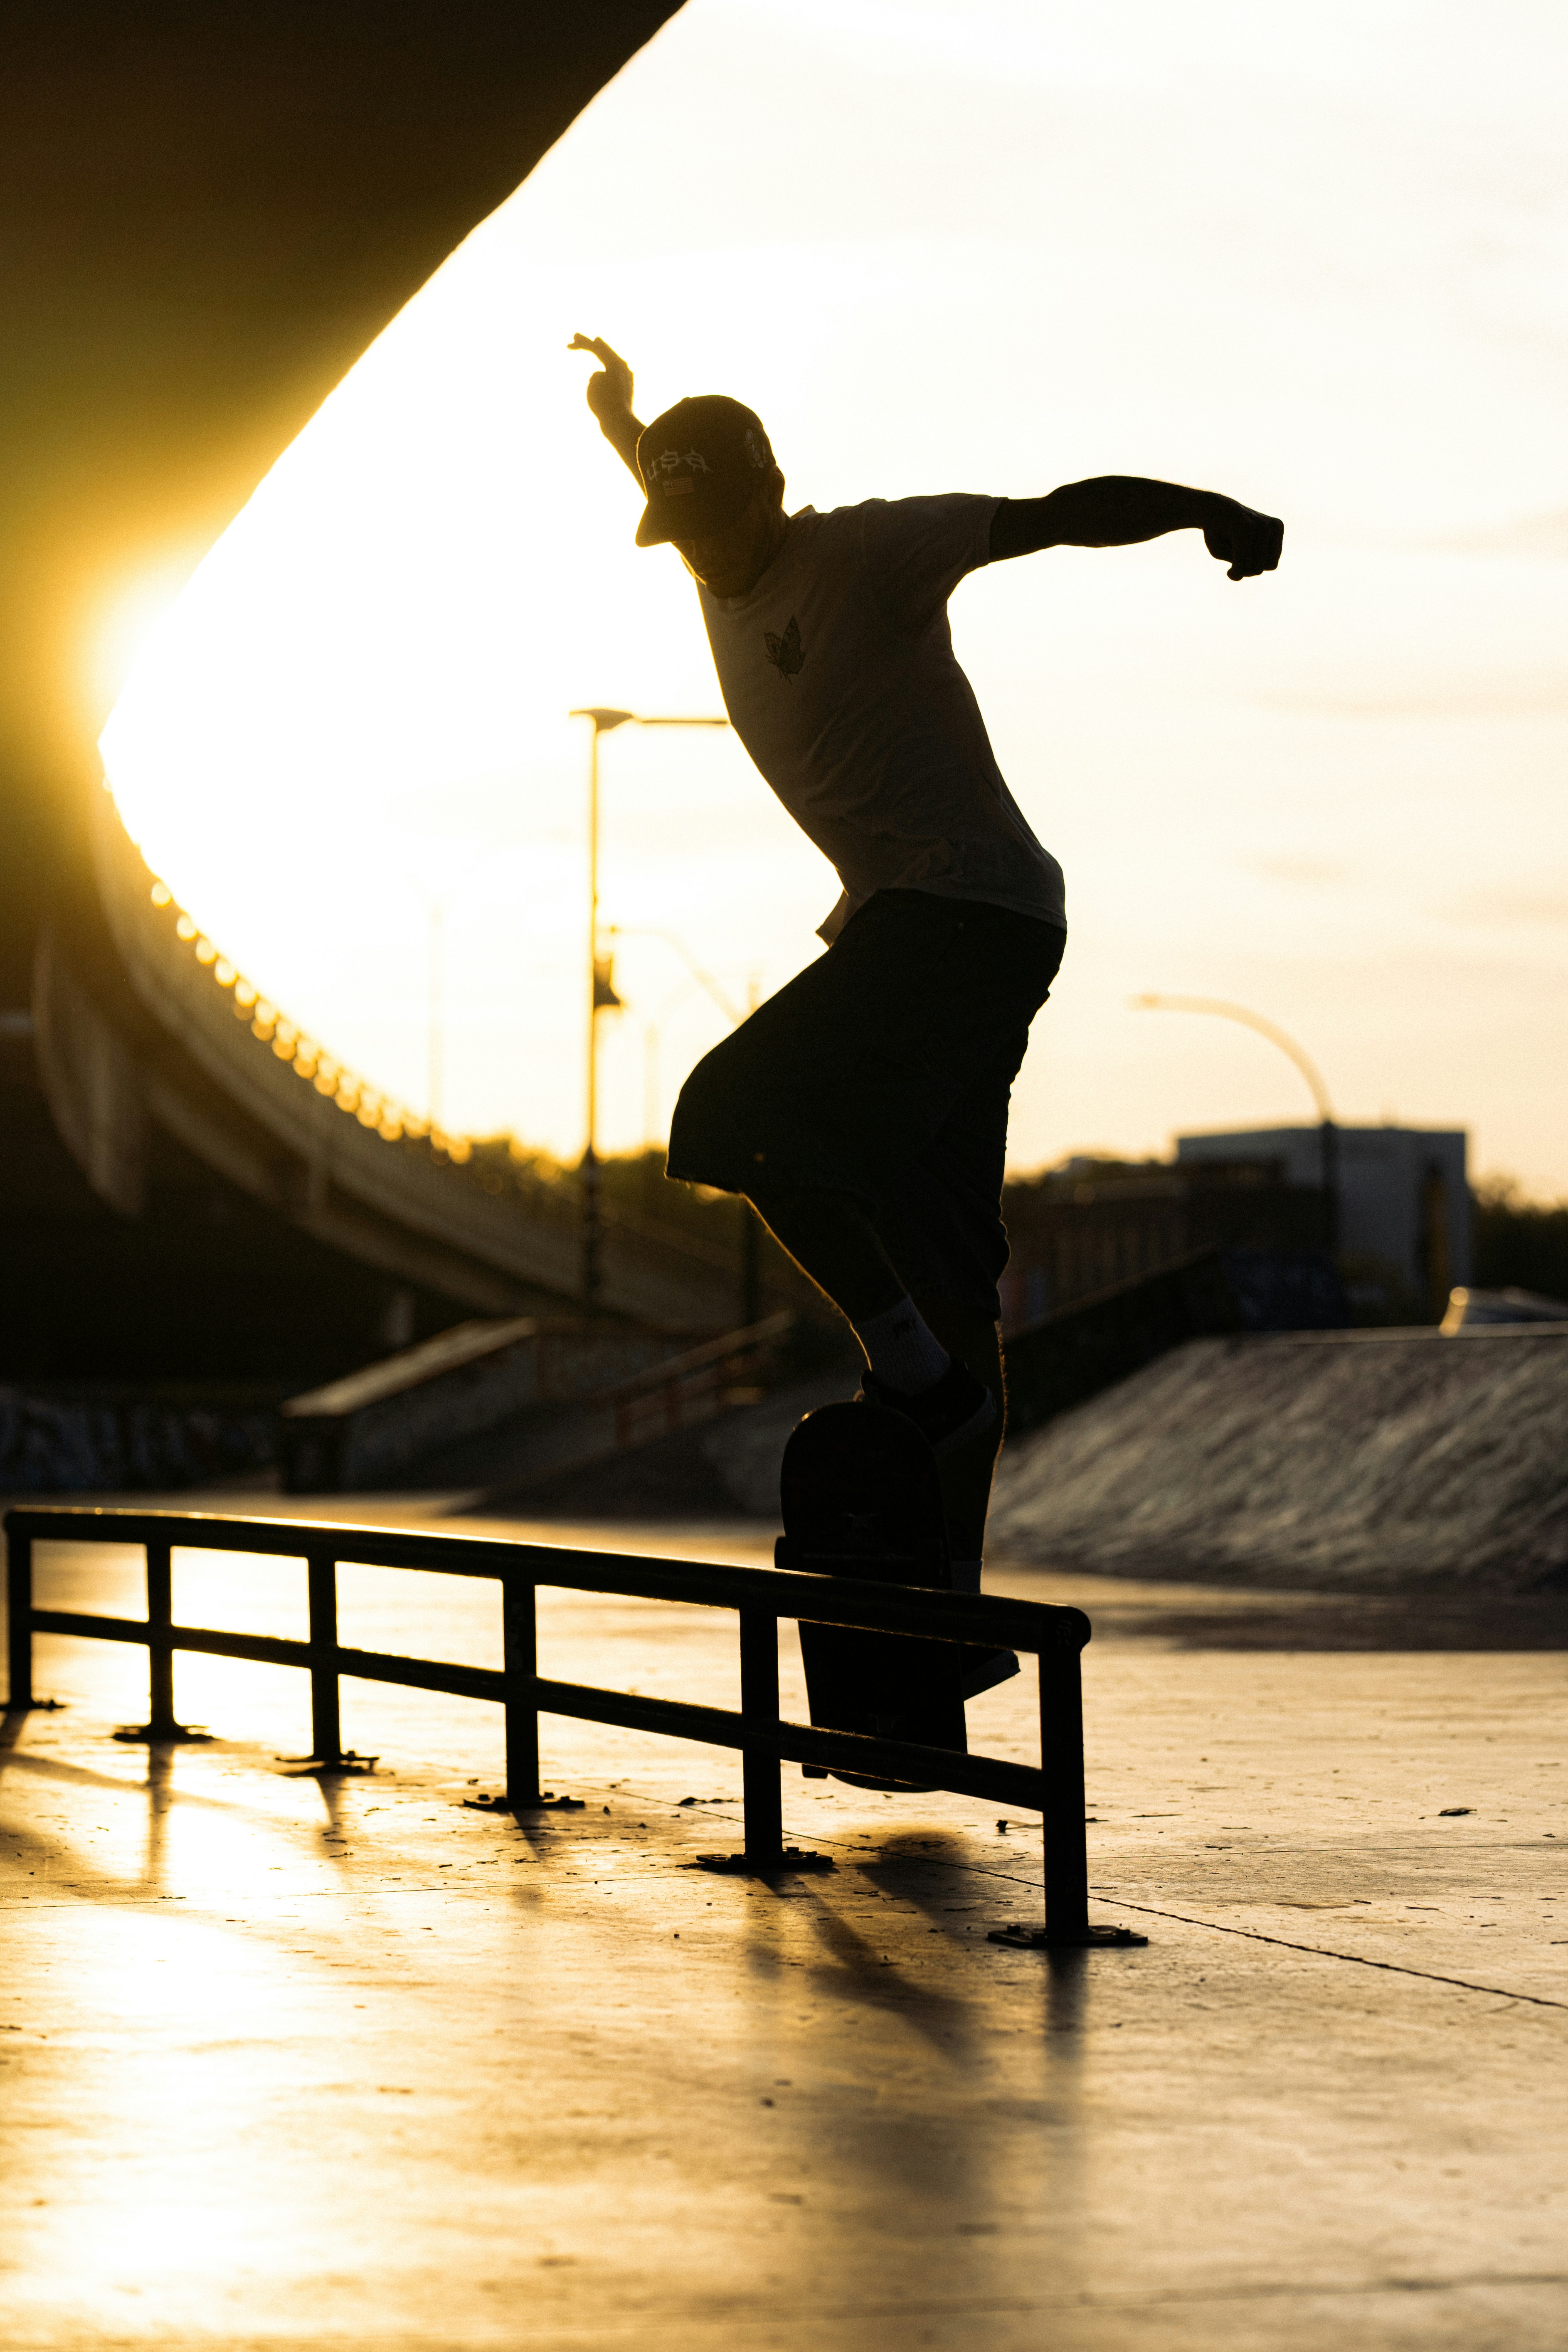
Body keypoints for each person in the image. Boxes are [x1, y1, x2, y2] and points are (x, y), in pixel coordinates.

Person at [570, 332, 1282, 1587]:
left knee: (730, 1115)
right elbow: (658, 468)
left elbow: (1054, 516)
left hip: (962, 913)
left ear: (773, 492)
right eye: (681, 538)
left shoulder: (870, 551)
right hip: (947, 927)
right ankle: (942, 1592)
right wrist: (616, 414)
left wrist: (1203, 511)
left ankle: (914, 1380)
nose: (707, 560)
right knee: (939, 1261)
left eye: (721, 529)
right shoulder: (696, 534)